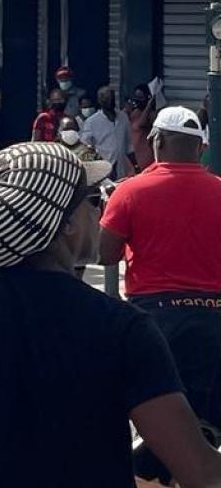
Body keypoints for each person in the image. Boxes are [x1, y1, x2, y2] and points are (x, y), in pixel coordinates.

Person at [0, 143, 221, 488]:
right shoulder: (122, 328)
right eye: (91, 200)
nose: (99, 213)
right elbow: (200, 472)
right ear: (63, 224)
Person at [100, 106, 221, 483]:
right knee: (204, 429)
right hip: (214, 319)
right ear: (200, 148)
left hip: (154, 320)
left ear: (157, 141)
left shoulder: (130, 191)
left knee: (150, 422)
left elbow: (105, 254)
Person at [80, 86, 134, 180]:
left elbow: (129, 144)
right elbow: (85, 147)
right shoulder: (92, 122)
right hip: (103, 169)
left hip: (122, 168)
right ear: (100, 101)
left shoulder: (123, 117)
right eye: (106, 98)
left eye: (111, 97)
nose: (109, 101)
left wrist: (134, 165)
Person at [126, 84, 158, 172]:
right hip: (133, 154)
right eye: (136, 97)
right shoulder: (134, 113)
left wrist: (149, 104)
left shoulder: (150, 115)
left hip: (145, 155)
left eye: (140, 97)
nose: (137, 100)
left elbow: (141, 123)